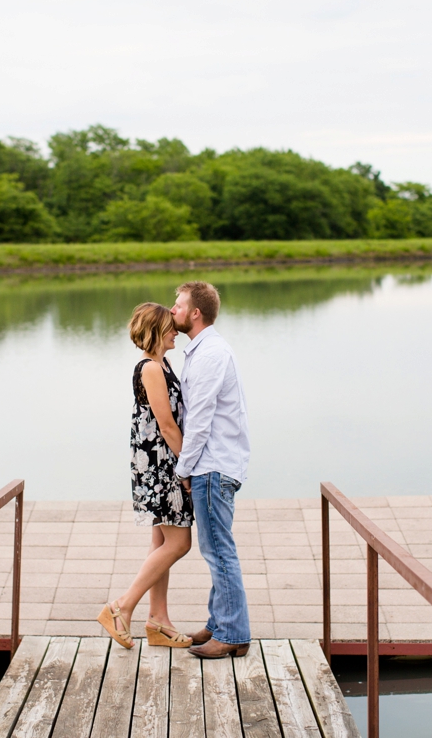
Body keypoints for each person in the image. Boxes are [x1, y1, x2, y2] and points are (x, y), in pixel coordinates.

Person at [97, 302, 194, 650]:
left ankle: (158, 622)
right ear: (155, 331)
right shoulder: (150, 369)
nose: (176, 332)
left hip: (157, 463)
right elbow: (166, 425)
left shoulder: (162, 363)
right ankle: (121, 607)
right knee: (180, 543)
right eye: (170, 327)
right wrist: (188, 466)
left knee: (161, 543)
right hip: (161, 466)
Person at [171, 281, 252, 659]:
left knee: (219, 551)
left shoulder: (209, 354)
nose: (174, 310)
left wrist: (183, 468)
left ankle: (233, 634)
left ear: (196, 312)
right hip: (215, 463)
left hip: (212, 465)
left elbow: (200, 418)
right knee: (214, 548)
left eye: (179, 304)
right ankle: (219, 623)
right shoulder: (203, 350)